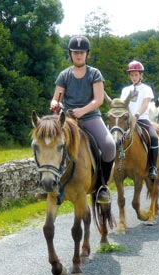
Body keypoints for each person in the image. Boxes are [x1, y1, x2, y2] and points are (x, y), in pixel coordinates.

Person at [50, 35, 115, 204]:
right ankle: (48, 183)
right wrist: (54, 103)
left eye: (82, 52)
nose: (79, 55)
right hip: (68, 118)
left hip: (91, 116)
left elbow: (98, 99)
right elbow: (57, 97)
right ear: (70, 54)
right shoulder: (64, 75)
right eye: (75, 52)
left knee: (109, 145)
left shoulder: (94, 74)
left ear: (87, 54)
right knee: (46, 139)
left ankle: (102, 186)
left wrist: (82, 110)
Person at [120, 60, 159, 179]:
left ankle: (152, 167)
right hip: (127, 120)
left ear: (141, 75)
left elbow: (145, 104)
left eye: (136, 75)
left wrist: (136, 115)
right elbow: (122, 105)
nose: (134, 77)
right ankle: (115, 164)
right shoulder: (126, 90)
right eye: (131, 75)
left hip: (142, 119)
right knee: (115, 136)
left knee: (153, 137)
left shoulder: (146, 88)